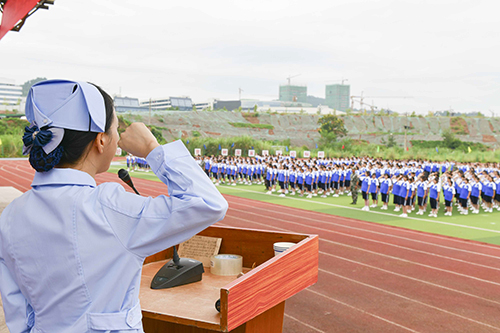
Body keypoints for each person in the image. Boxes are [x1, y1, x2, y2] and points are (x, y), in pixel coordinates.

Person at [0, 80, 228, 333]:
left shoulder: (10, 215)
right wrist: (153, 149)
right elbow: (209, 203)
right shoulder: (109, 208)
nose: (118, 138)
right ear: (101, 140)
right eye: (116, 129)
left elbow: (19, 314)